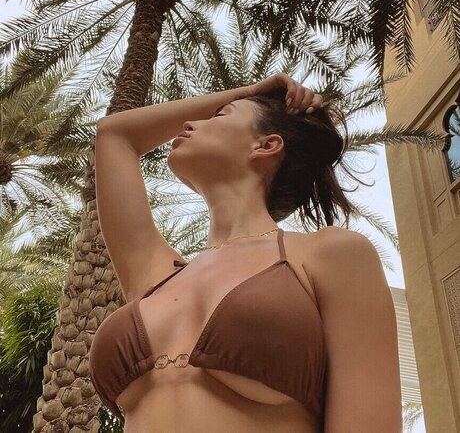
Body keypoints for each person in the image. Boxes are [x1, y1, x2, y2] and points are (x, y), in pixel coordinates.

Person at [89, 73, 402, 432]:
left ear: (266, 145)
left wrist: (252, 98)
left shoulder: (330, 254)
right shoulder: (155, 274)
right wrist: (248, 92)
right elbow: (114, 134)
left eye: (220, 116)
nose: (190, 123)